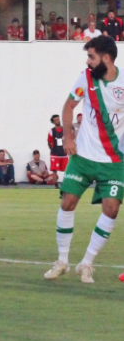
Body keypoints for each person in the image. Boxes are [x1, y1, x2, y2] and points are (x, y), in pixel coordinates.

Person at [44, 36, 124, 284]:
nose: (88, 61)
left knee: (111, 210)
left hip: (113, 160)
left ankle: (87, 263)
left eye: (91, 56)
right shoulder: (85, 78)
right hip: (83, 156)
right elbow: (68, 107)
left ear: (106, 58)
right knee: (68, 202)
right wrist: (68, 137)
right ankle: (62, 261)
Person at [48, 114, 67, 188]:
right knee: (54, 170)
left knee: (67, 169)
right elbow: (49, 142)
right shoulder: (51, 131)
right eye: (56, 120)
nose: (58, 121)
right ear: (53, 122)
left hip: (64, 154)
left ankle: (65, 184)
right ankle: (56, 185)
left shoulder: (64, 129)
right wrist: (53, 149)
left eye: (58, 119)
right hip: (55, 154)